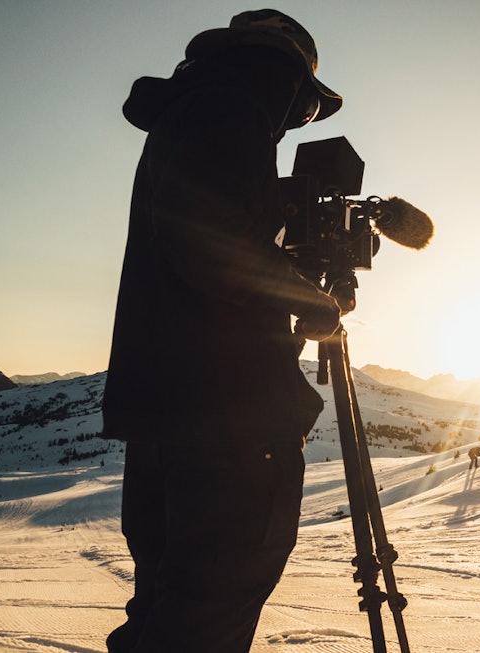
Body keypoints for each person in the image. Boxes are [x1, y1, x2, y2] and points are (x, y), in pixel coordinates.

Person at [101, 10, 345, 652]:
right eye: (308, 110)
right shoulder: (231, 110)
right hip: (229, 417)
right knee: (204, 617)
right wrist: (306, 297)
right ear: (288, 77)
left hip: (165, 410)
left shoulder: (192, 114)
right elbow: (207, 239)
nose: (300, 123)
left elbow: (203, 233)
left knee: (167, 607)